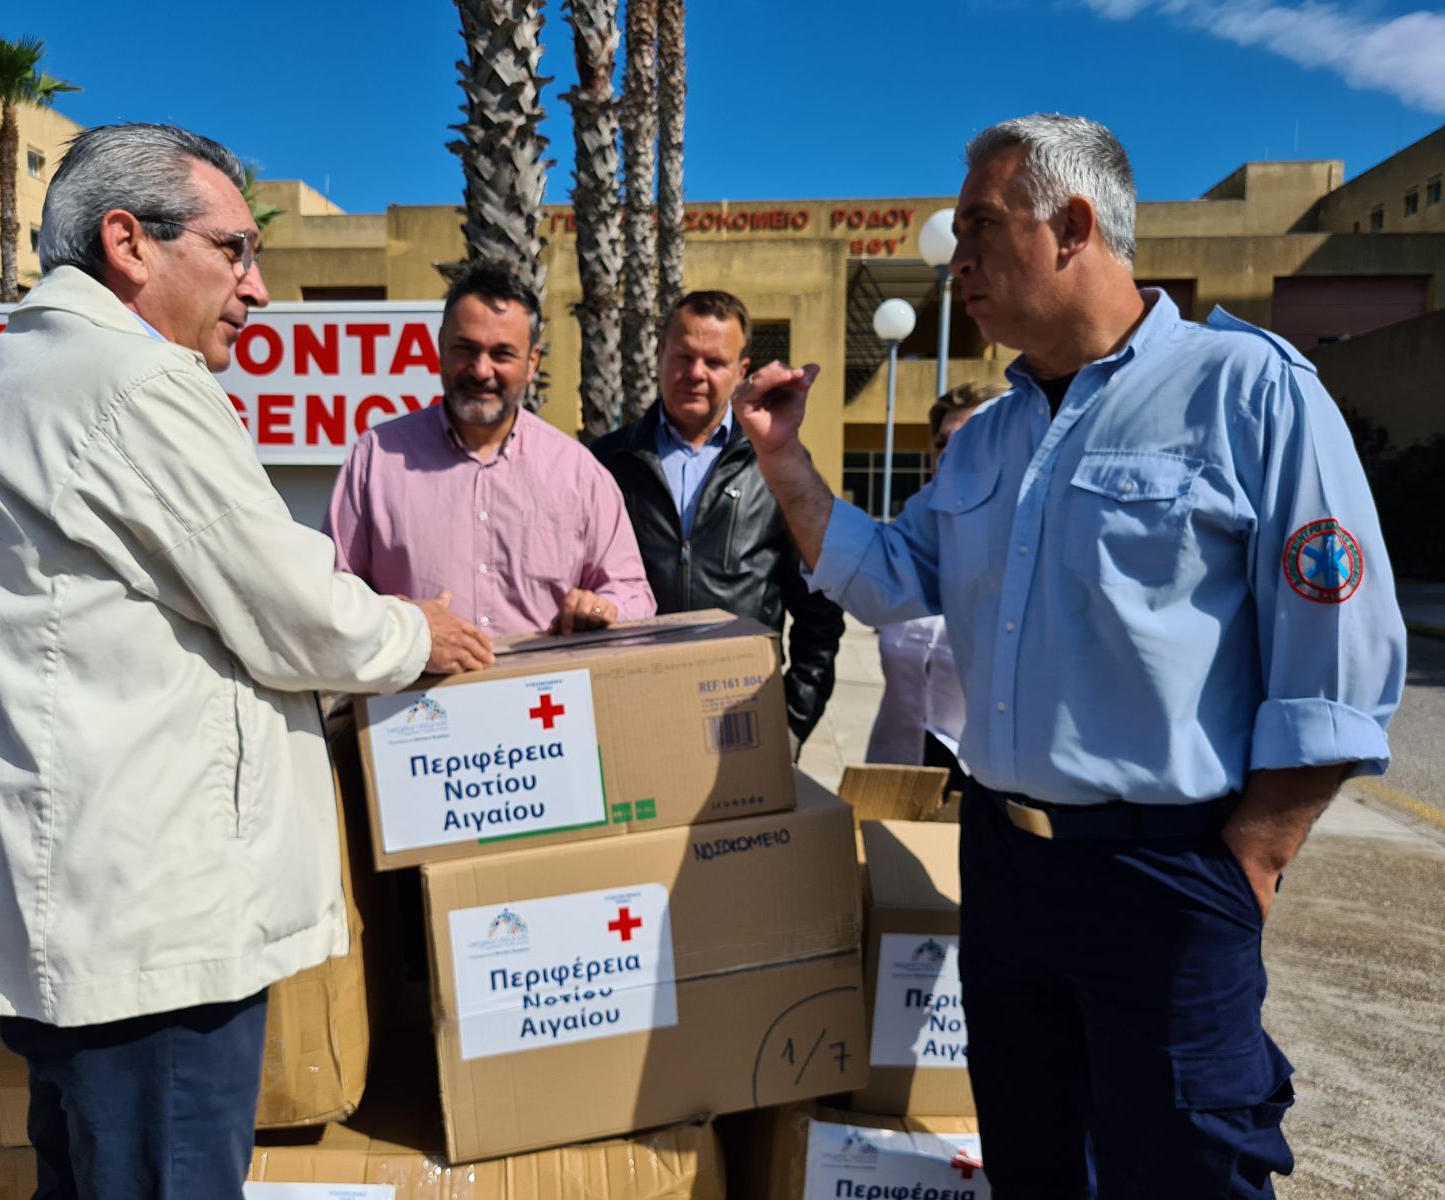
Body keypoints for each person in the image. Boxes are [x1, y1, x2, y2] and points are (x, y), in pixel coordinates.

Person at [731, 113, 1406, 1198]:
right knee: (1037, 1163)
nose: (956, 262)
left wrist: (1251, 858)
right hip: (1008, 871)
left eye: (979, 228)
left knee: (1186, 1172)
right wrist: (785, 463)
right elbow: (891, 578)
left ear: (1074, 227)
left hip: (1169, 873)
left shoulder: (1247, 389)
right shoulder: (992, 439)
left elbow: (1337, 656)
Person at [0, 123, 494, 1199]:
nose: (258, 288)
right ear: (129, 243)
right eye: (234, 250)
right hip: (156, 939)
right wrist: (419, 633)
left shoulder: (13, 381)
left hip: (92, 917)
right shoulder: (132, 385)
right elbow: (290, 607)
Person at [324, 261, 654, 637]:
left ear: (532, 362)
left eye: (502, 354)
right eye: (465, 349)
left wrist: (604, 608)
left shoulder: (578, 471)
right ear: (441, 348)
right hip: (420, 678)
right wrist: (399, 622)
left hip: (546, 678)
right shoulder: (375, 460)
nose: (481, 370)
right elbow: (335, 592)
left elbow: (632, 591)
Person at [591, 290, 843, 750]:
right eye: (684, 356)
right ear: (660, 355)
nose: (696, 374)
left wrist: (792, 721)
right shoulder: (607, 462)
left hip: (742, 718)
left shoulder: (777, 466)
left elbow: (820, 608)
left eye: (714, 362)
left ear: (741, 371)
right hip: (634, 716)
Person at [864, 382, 1005, 788]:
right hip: (896, 771)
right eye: (942, 444)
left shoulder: (1027, 554)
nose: (948, 456)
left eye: (967, 443)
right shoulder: (910, 545)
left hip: (986, 786)